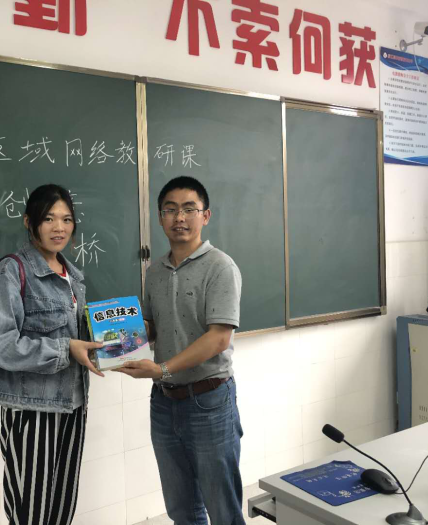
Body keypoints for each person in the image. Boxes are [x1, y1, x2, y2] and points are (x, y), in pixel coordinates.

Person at [117, 176, 245, 525]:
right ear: (160, 218)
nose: (179, 218)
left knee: (223, 510)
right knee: (181, 510)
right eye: (170, 210)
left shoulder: (220, 266)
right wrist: (112, 340)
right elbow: (151, 326)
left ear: (206, 216)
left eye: (189, 209)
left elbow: (218, 338)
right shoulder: (154, 271)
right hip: (164, 403)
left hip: (209, 402)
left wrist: (162, 369)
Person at [0, 184, 103, 525]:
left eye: (66, 219)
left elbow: (76, 337)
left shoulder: (72, 276)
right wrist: (66, 348)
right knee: (31, 513)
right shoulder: (11, 272)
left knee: (62, 509)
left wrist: (110, 343)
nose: (59, 228)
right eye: (49, 219)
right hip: (33, 409)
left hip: (73, 404)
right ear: (29, 222)